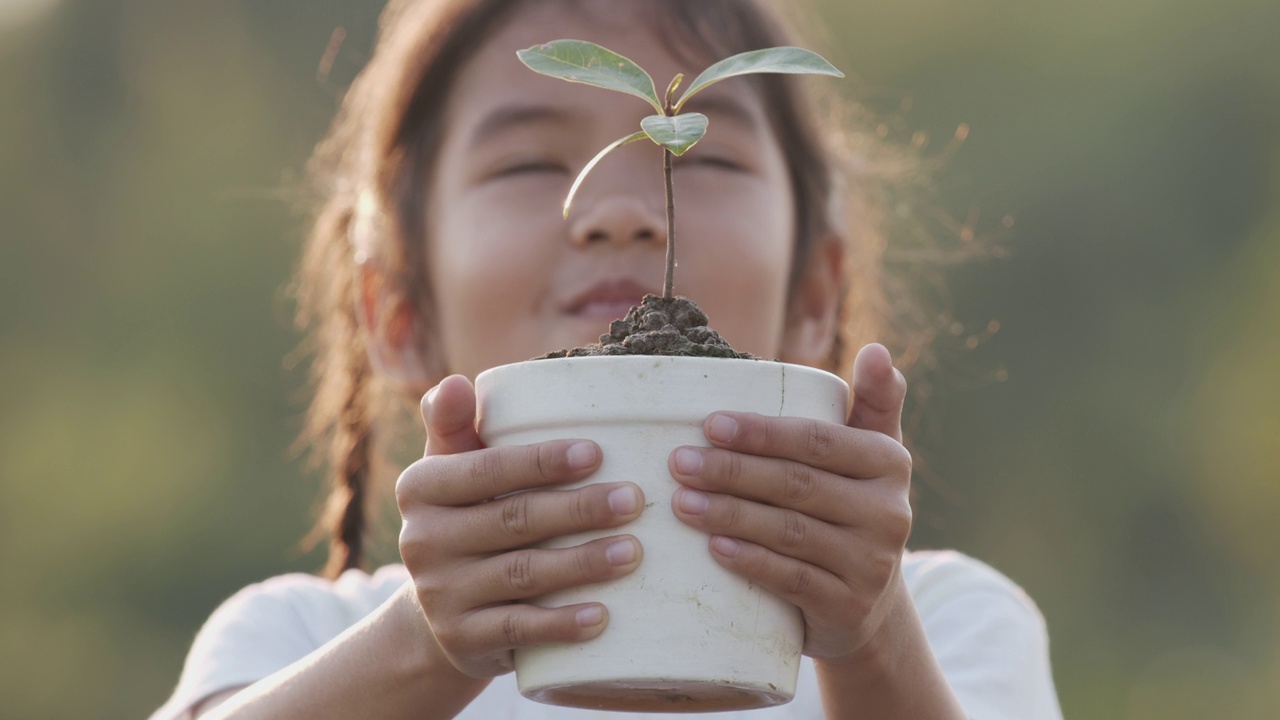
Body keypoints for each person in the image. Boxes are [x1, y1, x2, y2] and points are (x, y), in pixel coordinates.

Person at [150, 0, 1063, 718]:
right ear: (395, 310)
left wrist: (871, 642)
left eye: (704, 159)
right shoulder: (306, 639)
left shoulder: (942, 628)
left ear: (817, 292)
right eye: (527, 166)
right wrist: (425, 647)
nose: (622, 211)